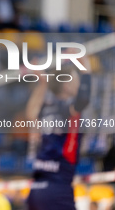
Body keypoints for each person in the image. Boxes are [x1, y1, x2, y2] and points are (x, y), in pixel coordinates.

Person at [26, 53, 91, 210]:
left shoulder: (48, 109)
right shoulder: (67, 109)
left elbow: (31, 114)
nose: (78, 83)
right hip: (58, 189)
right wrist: (86, 71)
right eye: (76, 79)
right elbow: (83, 100)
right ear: (67, 85)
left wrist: (43, 84)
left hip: (36, 190)